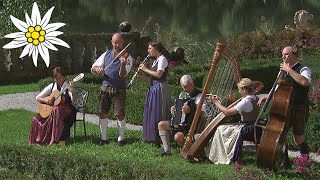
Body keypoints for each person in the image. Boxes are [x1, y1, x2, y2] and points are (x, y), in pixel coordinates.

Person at [259, 45, 312, 168]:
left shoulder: (304, 68)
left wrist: (289, 70)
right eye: (282, 54)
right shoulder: (282, 70)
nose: (283, 56)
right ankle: (285, 163)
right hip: (284, 107)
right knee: (281, 134)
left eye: (286, 54)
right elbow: (277, 89)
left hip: (299, 107)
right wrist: (268, 97)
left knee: (298, 138)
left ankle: (306, 162)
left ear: (295, 55)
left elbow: (304, 82)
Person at [91, 32, 133, 146]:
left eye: (119, 42)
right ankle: (103, 138)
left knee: (119, 114)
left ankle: (121, 139)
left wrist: (123, 64)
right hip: (105, 87)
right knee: (102, 113)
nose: (117, 45)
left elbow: (123, 74)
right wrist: (98, 69)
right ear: (111, 42)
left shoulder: (127, 57)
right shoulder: (106, 54)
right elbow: (93, 67)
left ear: (123, 42)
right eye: (115, 42)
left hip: (119, 89)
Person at [207, 78, 261, 165]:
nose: (239, 92)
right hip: (254, 127)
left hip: (247, 129)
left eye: (240, 89)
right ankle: (229, 155)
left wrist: (216, 102)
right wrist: (234, 100)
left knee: (221, 128)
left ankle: (228, 157)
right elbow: (245, 108)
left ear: (244, 89)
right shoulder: (255, 97)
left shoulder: (246, 101)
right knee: (225, 128)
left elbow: (227, 112)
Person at [157, 74, 206, 156]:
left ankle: (188, 150)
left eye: (187, 86)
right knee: (161, 125)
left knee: (178, 137)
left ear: (192, 84)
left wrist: (191, 110)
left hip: (193, 126)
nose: (186, 89)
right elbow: (177, 107)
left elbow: (202, 113)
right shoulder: (182, 94)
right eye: (184, 87)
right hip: (180, 124)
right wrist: (173, 109)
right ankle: (167, 151)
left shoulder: (199, 96)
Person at [29, 67, 77, 146]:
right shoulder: (52, 86)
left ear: (64, 77)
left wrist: (73, 91)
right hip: (53, 111)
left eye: (60, 78)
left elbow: (74, 101)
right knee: (36, 118)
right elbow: (38, 97)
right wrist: (47, 101)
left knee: (56, 109)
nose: (58, 80)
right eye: (56, 78)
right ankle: (38, 140)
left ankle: (55, 139)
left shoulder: (68, 86)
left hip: (68, 111)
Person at [138, 41, 172, 148]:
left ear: (156, 49)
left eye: (150, 48)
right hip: (153, 88)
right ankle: (153, 137)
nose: (148, 51)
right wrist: (142, 76)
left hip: (160, 88)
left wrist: (145, 69)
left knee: (159, 111)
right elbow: (152, 78)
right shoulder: (155, 61)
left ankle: (160, 138)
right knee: (152, 111)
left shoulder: (162, 59)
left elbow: (159, 74)